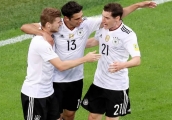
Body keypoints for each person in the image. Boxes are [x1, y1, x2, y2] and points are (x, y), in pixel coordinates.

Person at [20, 1, 156, 120]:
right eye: (77, 18)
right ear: (66, 19)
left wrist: (138, 5)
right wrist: (43, 33)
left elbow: (115, 16)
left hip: (76, 78)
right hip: (56, 80)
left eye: (81, 16)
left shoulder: (85, 24)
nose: (81, 20)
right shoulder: (57, 25)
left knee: (70, 114)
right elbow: (25, 27)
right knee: (56, 114)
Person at [20, 7, 101, 120]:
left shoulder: (50, 38)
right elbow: (61, 66)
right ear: (48, 25)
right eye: (58, 22)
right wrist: (85, 59)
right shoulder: (41, 43)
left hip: (48, 92)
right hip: (35, 94)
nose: (61, 24)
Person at [81, 3, 141, 120]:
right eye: (103, 16)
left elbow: (137, 60)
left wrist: (123, 65)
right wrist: (74, 46)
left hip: (116, 85)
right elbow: (95, 41)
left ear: (117, 18)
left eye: (107, 18)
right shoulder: (104, 27)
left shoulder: (127, 34)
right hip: (99, 81)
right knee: (93, 117)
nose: (103, 20)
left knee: (111, 118)